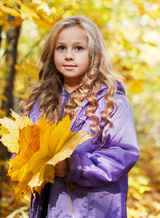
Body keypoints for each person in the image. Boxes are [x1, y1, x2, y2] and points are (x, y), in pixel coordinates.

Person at [22, 15, 139, 218]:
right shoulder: (43, 99)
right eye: (61, 48)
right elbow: (25, 144)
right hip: (49, 208)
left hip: (92, 210)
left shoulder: (112, 100)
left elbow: (122, 153)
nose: (69, 55)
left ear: (93, 53)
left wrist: (74, 166)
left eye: (78, 48)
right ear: (52, 53)